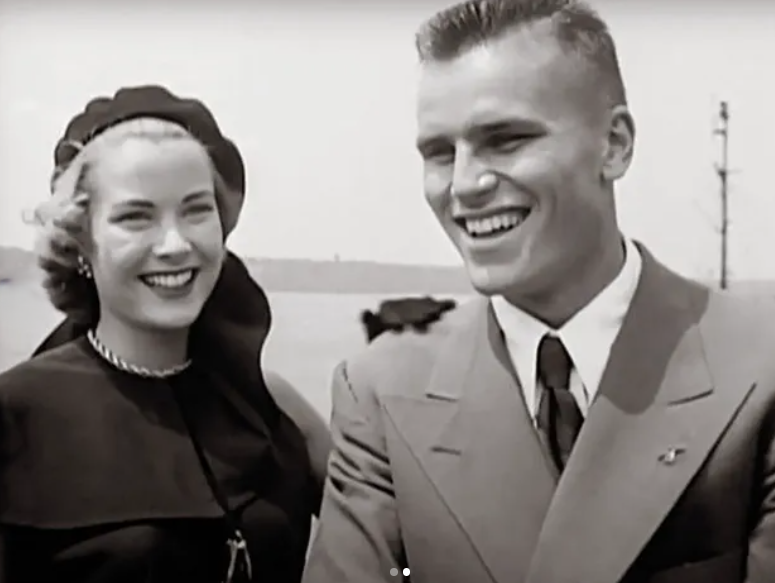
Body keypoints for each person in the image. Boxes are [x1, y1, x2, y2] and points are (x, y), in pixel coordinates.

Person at [303, 1, 775, 582]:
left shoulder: (757, 370)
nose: (465, 184)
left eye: (505, 140)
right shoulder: (381, 393)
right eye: (439, 153)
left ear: (615, 145)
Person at [0, 85, 331, 583]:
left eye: (196, 210)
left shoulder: (273, 408)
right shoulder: (15, 415)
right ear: (81, 243)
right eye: (136, 217)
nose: (175, 245)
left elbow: (400, 545)